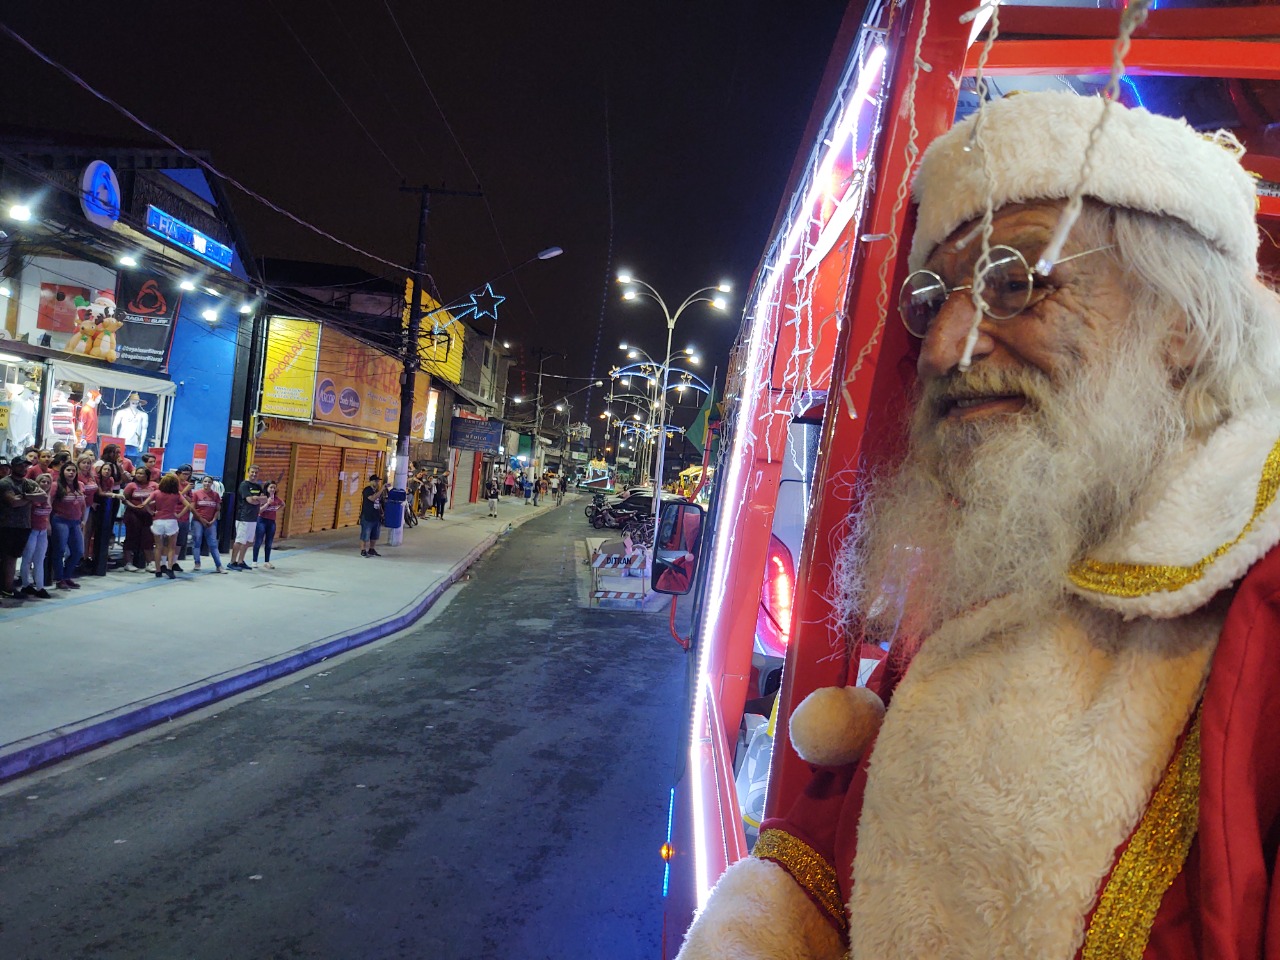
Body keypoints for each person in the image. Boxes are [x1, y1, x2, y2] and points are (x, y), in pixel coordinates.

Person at [676, 92, 1280, 959]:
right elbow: (848, 847)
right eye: (933, 299)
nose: (942, 345)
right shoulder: (1017, 543)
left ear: (1179, 322)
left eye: (1016, 281)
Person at [0, 456, 43, 602]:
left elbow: (43, 496)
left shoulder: (28, 483)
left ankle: (7, 587)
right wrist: (31, 498)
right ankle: (6, 588)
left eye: (26, 466)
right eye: (20, 466)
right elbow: (13, 502)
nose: (24, 469)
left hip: (24, 525)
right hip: (7, 526)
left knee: (13, 558)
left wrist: (25, 496)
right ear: (13, 467)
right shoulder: (5, 483)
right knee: (7, 558)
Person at [49, 460, 87, 589]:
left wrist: (83, 519)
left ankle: (67, 576)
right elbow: (49, 503)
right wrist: (47, 522)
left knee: (78, 551)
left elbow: (83, 504)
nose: (71, 473)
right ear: (62, 472)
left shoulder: (80, 485)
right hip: (60, 520)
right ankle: (60, 579)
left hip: (76, 521)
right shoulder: (55, 486)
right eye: (68, 470)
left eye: (73, 470)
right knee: (59, 550)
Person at [145, 471, 189, 579]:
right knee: (171, 547)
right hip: (171, 521)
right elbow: (188, 506)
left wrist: (152, 513)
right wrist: (178, 515)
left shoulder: (156, 493)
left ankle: (158, 570)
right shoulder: (177, 494)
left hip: (158, 520)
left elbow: (145, 503)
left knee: (158, 546)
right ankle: (169, 568)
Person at [19, 471, 52, 598]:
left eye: (48, 482)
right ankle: (25, 585)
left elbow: (48, 514)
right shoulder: (32, 498)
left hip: (42, 531)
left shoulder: (48, 497)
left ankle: (40, 587)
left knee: (40, 559)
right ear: (37, 483)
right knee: (27, 559)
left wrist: (48, 525)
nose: (46, 484)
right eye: (43, 481)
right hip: (31, 530)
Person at [120, 465, 157, 572]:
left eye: (142, 474)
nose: (139, 475)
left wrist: (150, 505)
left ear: (147, 475)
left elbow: (159, 497)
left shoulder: (154, 485)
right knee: (131, 537)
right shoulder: (131, 485)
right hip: (132, 515)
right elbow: (124, 499)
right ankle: (128, 562)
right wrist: (134, 506)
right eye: (138, 473)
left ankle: (150, 563)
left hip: (148, 515)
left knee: (148, 538)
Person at [229, 464, 266, 571]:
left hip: (253, 517)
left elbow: (264, 499)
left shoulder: (258, 487)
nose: (254, 474)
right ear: (248, 472)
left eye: (256, 472)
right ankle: (232, 562)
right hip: (243, 517)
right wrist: (256, 499)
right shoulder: (244, 485)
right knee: (240, 540)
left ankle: (241, 561)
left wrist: (256, 498)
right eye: (252, 472)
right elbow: (249, 500)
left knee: (249, 541)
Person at [189, 474, 227, 574]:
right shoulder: (196, 493)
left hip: (211, 522)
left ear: (212, 483)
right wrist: (201, 519)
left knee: (213, 544)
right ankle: (197, 563)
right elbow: (192, 508)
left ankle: (219, 565)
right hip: (198, 521)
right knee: (197, 541)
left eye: (209, 482)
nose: (207, 484)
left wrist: (213, 520)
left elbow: (218, 509)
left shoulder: (215, 495)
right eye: (205, 481)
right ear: (202, 483)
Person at [253, 480, 284, 568]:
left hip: (271, 522)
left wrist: (276, 509)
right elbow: (259, 511)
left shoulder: (277, 499)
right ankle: (254, 561)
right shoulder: (263, 498)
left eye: (274, 488)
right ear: (266, 488)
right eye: (271, 487)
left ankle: (267, 561)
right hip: (262, 521)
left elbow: (283, 504)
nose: (272, 489)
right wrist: (267, 504)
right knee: (258, 541)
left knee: (269, 542)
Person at [171, 464, 194, 571]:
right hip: (173, 514)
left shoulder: (187, 485)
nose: (186, 477)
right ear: (178, 473)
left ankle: (175, 562)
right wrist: (185, 491)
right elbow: (173, 497)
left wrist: (186, 494)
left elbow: (190, 500)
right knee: (170, 540)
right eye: (184, 474)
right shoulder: (173, 483)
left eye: (188, 475)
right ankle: (166, 563)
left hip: (184, 516)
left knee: (180, 541)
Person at [360, 473, 384, 557]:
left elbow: (380, 503)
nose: (377, 483)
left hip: (376, 516)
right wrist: (382, 489)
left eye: (378, 481)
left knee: (375, 535)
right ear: (371, 481)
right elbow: (373, 498)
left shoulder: (377, 491)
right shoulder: (367, 490)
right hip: (367, 516)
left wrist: (382, 513)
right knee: (365, 534)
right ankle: (363, 550)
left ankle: (371, 549)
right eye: (376, 481)